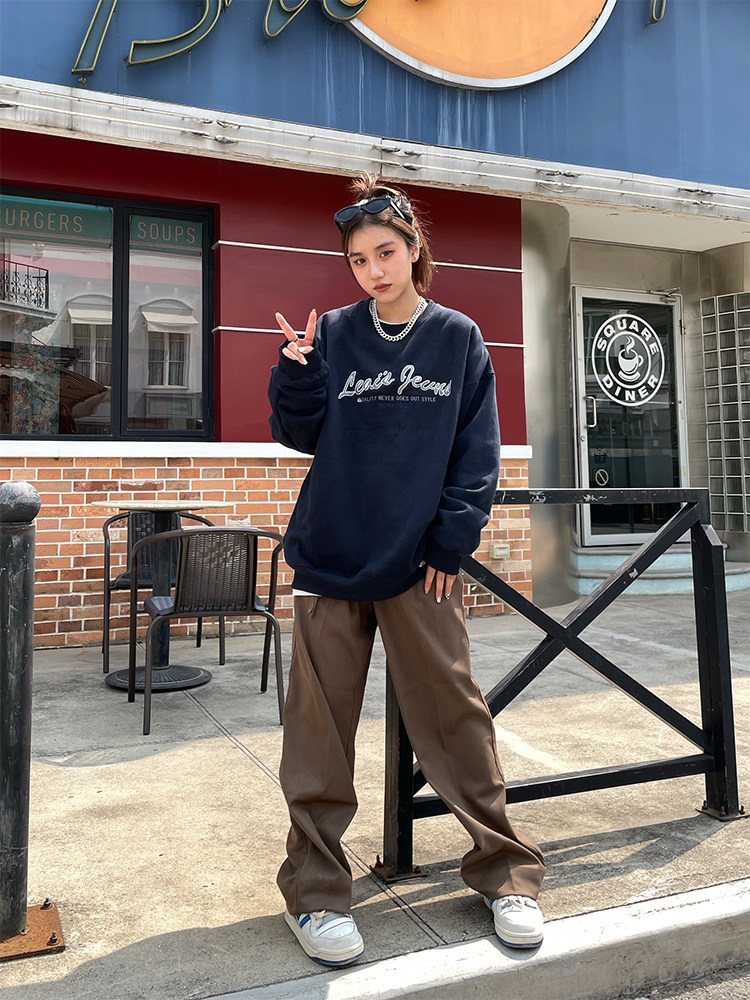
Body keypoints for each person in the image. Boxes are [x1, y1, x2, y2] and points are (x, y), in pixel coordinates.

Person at [267, 175, 546, 967]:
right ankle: (316, 893)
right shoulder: (334, 334)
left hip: (421, 566)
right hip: (330, 555)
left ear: (414, 248)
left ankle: (505, 873)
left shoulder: (457, 337)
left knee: (456, 720)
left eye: (385, 252)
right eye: (358, 260)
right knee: (318, 736)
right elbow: (299, 433)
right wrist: (297, 371)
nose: (373, 271)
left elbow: (476, 453)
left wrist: (450, 543)